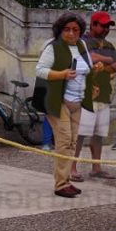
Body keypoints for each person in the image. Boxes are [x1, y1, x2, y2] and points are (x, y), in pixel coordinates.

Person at [35, 13, 94, 198]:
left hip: (77, 100)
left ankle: (66, 180)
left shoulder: (82, 45)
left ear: (81, 32)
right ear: (60, 30)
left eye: (75, 30)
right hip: (56, 99)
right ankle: (60, 184)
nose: (71, 33)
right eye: (67, 29)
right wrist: (61, 74)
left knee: (72, 141)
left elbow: (87, 69)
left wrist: (93, 84)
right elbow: (40, 70)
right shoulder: (52, 47)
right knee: (64, 139)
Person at [72, 11, 116, 181]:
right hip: (86, 93)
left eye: (108, 26)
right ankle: (72, 167)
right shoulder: (83, 42)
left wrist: (103, 64)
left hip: (104, 93)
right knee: (80, 133)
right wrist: (106, 60)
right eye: (103, 25)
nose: (106, 29)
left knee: (99, 133)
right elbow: (90, 58)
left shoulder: (109, 44)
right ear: (93, 25)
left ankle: (96, 166)